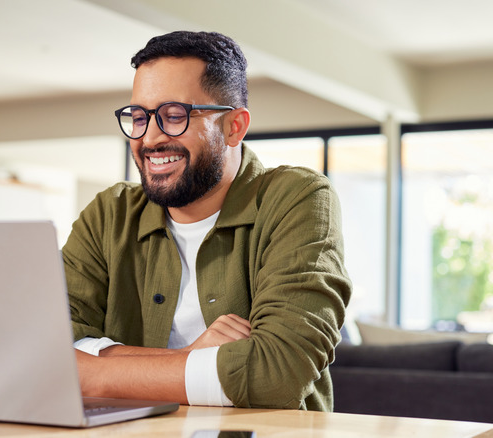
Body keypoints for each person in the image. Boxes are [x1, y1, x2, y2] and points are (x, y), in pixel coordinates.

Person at [63, 30, 351, 411]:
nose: (149, 138)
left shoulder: (297, 198)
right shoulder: (108, 214)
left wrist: (90, 373)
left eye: (174, 116)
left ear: (234, 126)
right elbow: (45, 347)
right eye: (138, 116)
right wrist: (194, 360)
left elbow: (278, 372)